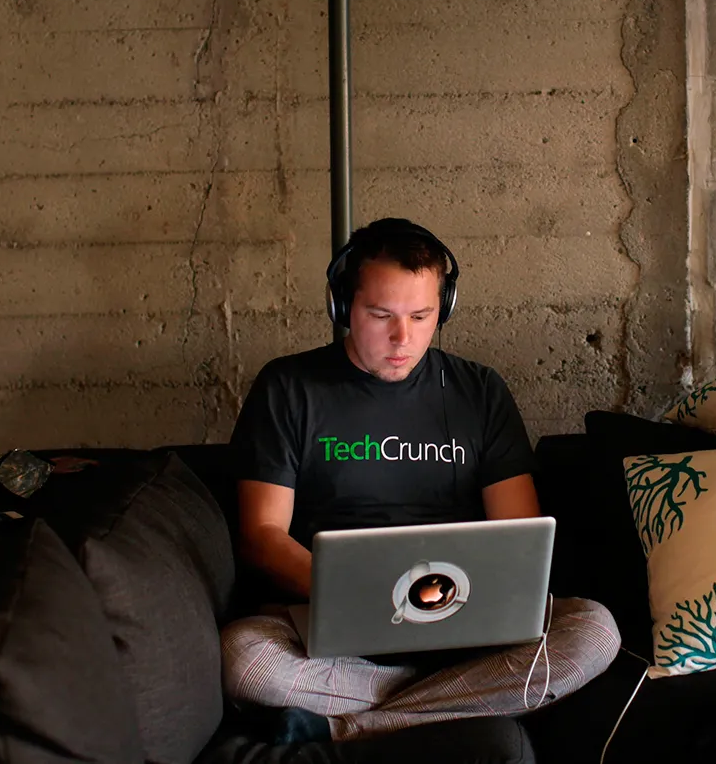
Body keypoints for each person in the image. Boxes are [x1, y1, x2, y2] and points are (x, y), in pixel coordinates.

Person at [219, 218, 620, 744]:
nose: (402, 338)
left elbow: (519, 537)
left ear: (444, 309)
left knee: (596, 632)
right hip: (335, 631)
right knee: (244, 659)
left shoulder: (479, 392)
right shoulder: (288, 388)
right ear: (343, 306)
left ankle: (355, 724)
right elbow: (262, 537)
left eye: (422, 315)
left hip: (466, 630)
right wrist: (361, 597)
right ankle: (462, 699)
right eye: (380, 314)